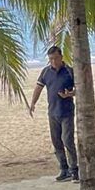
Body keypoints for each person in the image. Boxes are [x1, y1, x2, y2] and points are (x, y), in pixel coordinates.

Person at [28, 46, 78, 182]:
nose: (54, 61)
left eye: (56, 58)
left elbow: (80, 89)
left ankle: (75, 169)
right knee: (56, 142)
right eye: (51, 59)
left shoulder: (70, 71)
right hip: (52, 112)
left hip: (67, 112)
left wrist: (70, 94)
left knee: (67, 140)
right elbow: (39, 87)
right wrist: (33, 103)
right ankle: (64, 169)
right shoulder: (46, 72)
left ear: (61, 57)